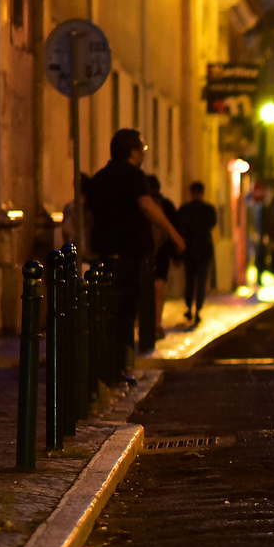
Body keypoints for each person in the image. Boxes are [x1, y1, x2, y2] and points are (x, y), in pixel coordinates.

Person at [85, 128, 184, 377]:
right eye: (143, 149)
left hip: (103, 253)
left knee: (107, 309)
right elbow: (147, 207)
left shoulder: (99, 178)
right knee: (127, 311)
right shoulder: (134, 176)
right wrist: (174, 234)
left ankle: (106, 364)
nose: (144, 154)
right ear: (133, 151)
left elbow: (89, 216)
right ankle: (123, 365)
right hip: (129, 253)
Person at [176, 180, 219, 325]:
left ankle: (190, 307)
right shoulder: (208, 210)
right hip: (203, 250)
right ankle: (197, 310)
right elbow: (212, 224)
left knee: (190, 280)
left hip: (190, 250)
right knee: (200, 281)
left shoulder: (185, 210)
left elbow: (180, 226)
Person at [148, 175, 180, 339]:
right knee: (159, 286)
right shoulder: (166, 205)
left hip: (144, 251)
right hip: (162, 251)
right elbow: (175, 225)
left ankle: (147, 323)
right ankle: (156, 324)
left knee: (145, 288)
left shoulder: (141, 204)